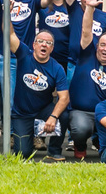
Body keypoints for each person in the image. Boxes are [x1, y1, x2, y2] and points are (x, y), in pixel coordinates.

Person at [68, 0, 106, 160]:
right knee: (80, 128)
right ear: (97, 45)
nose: (105, 49)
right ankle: (80, 144)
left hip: (103, 115)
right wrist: (90, 8)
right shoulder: (87, 54)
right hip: (80, 112)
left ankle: (101, 140)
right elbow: (86, 30)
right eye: (103, 45)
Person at [7, 25, 70, 160]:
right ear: (34, 44)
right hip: (22, 115)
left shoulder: (57, 68)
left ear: (52, 49)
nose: (44, 45)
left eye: (49, 43)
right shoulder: (24, 54)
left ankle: (54, 151)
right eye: (41, 41)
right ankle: (31, 138)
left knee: (63, 115)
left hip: (43, 112)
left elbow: (64, 98)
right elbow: (10, 34)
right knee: (22, 154)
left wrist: (53, 117)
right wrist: (7, 12)